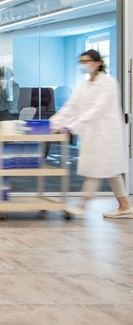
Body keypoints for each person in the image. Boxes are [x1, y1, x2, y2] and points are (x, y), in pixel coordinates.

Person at [50, 49, 132, 219]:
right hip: (93, 134)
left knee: (96, 170)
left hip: (106, 134)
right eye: (81, 62)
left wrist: (72, 127)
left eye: (87, 61)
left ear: (98, 63)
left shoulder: (108, 83)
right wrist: (52, 123)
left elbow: (97, 109)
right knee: (111, 171)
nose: (84, 65)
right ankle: (124, 206)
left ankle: (82, 206)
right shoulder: (84, 86)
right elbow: (71, 107)